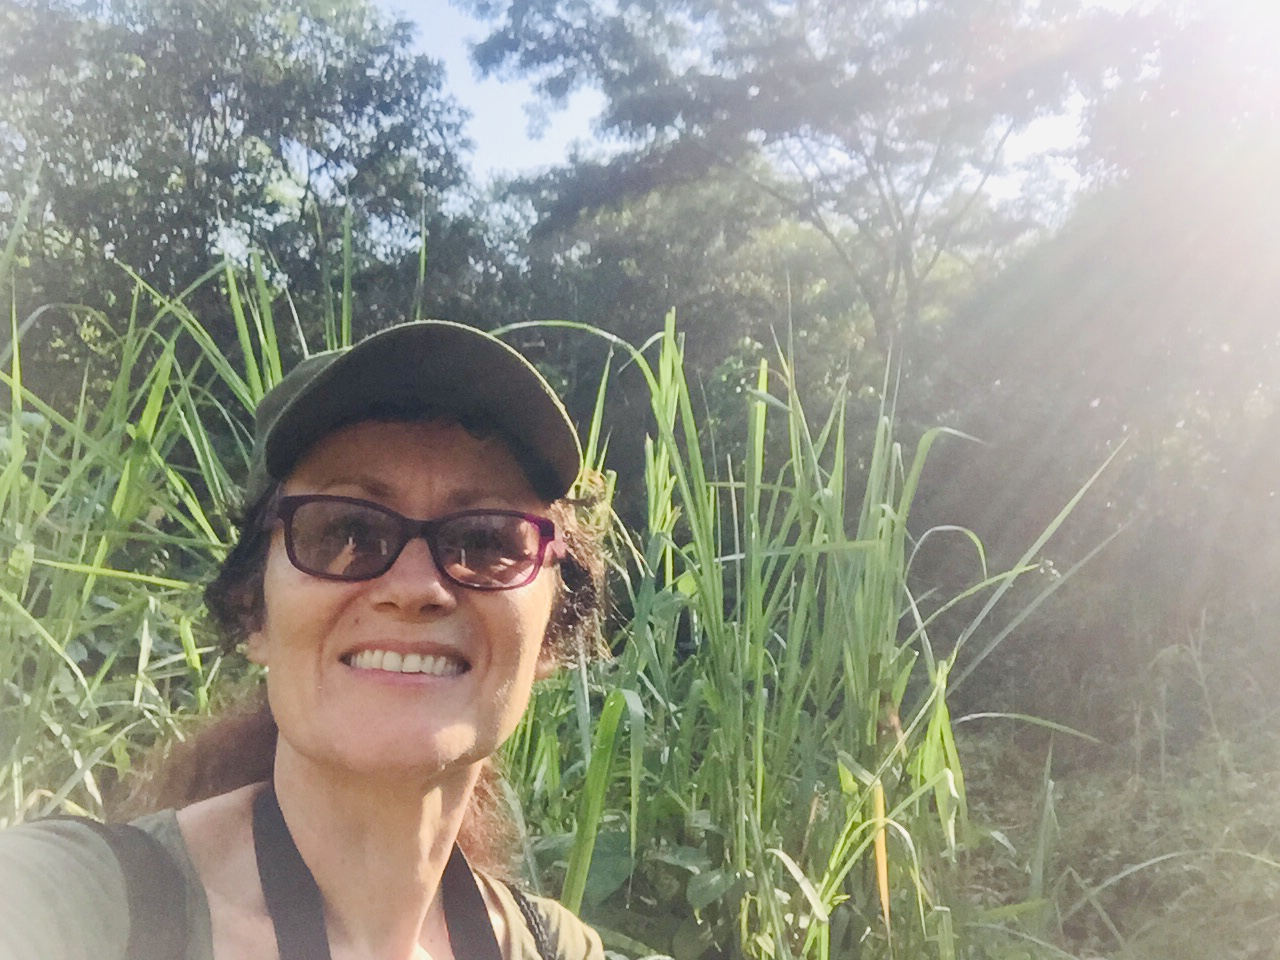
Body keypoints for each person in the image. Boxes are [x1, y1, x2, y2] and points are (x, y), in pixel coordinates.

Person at [0, 320, 609, 960]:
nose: (416, 588)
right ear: (253, 609)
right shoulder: (71, 906)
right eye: (346, 532)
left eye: (484, 540)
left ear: (552, 635)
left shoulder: (556, 948)